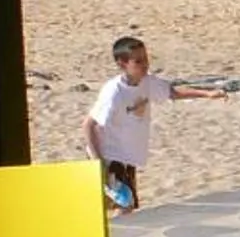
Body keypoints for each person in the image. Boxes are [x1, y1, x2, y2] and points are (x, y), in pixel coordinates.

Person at [84, 34, 225, 214]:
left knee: (123, 206)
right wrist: (99, 162)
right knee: (124, 205)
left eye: (146, 59)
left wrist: (207, 94)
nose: (145, 64)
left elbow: (172, 92)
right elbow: (88, 125)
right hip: (109, 156)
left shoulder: (147, 82)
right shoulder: (114, 92)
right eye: (138, 61)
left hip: (126, 157)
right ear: (122, 64)